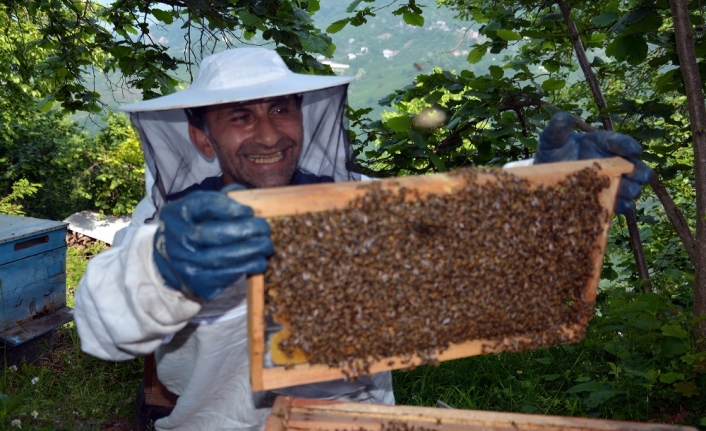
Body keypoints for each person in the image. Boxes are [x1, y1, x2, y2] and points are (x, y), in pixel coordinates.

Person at [73, 48, 653, 431]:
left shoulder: (356, 203)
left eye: (281, 109)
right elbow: (105, 319)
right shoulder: (167, 222)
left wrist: (555, 195)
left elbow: (460, 232)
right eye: (240, 117)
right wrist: (165, 267)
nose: (269, 133)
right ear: (202, 138)